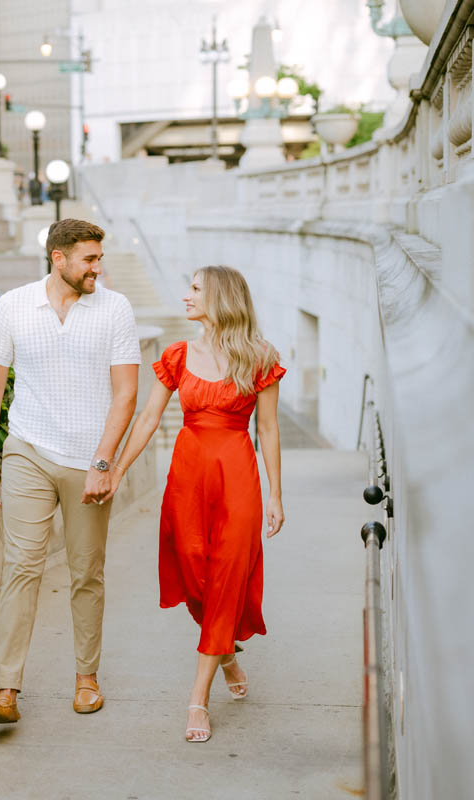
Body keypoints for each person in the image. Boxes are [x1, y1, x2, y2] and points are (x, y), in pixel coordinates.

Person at [105, 265, 285, 743]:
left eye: (195, 289)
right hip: (188, 477)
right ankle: (225, 654)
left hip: (238, 478)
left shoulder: (261, 357)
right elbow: (146, 418)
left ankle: (197, 699)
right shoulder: (178, 355)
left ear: (221, 298)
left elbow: (267, 428)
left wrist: (276, 495)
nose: (186, 296)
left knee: (227, 577)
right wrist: (117, 470)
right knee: (194, 574)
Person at [0, 218, 140, 724]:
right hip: (27, 451)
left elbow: (127, 394)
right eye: (89, 258)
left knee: (86, 572)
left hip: (89, 460)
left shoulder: (114, 308)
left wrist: (103, 462)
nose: (98, 267)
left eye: (99, 257)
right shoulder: (14, 306)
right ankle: (6, 690)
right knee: (21, 566)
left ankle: (86, 679)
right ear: (58, 258)